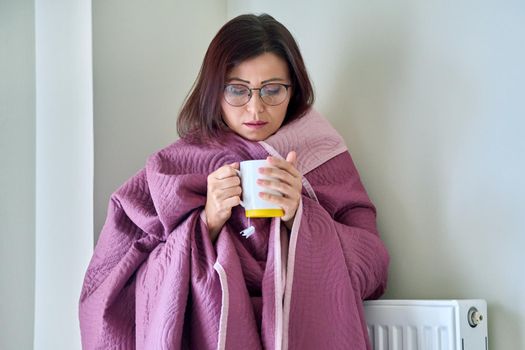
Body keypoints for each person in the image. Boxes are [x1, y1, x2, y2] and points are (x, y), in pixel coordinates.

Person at [79, 13, 389, 350]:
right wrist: (206, 223)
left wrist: (301, 218)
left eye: (272, 90)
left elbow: (373, 266)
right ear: (215, 89)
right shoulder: (175, 167)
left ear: (294, 89)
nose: (255, 108)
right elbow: (112, 286)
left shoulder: (322, 155)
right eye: (237, 90)